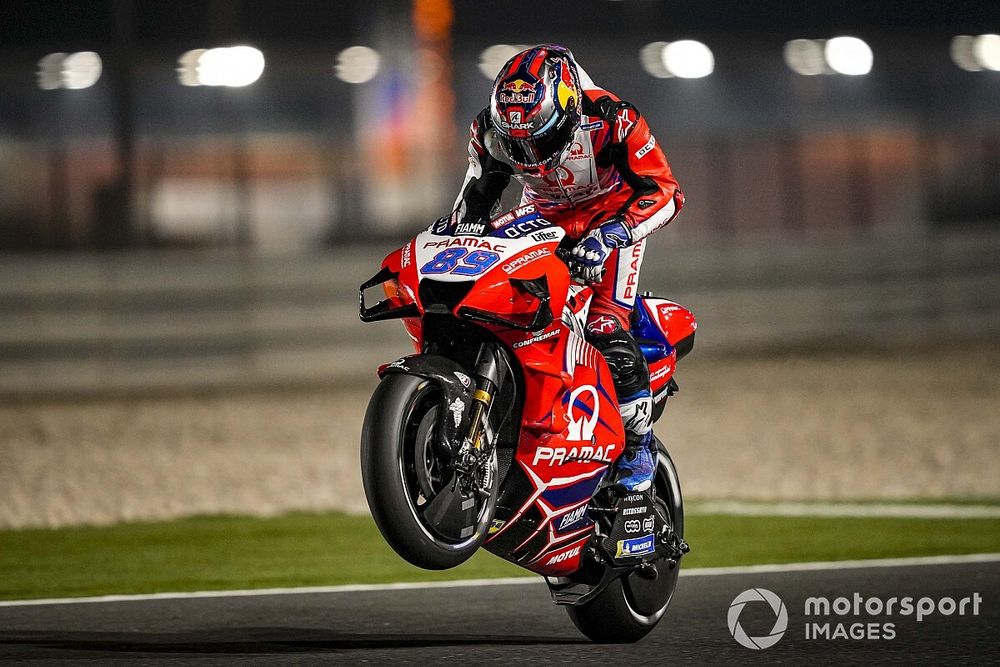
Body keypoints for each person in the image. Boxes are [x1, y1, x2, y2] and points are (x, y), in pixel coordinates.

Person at [449, 44, 684, 492]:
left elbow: (665, 191)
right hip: (539, 217)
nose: (528, 152)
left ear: (570, 111)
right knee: (498, 304)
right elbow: (474, 201)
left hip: (611, 219)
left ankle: (639, 443)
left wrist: (609, 237)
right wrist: (459, 237)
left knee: (604, 326)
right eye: (516, 142)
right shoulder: (489, 130)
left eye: (539, 138)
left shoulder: (615, 118)